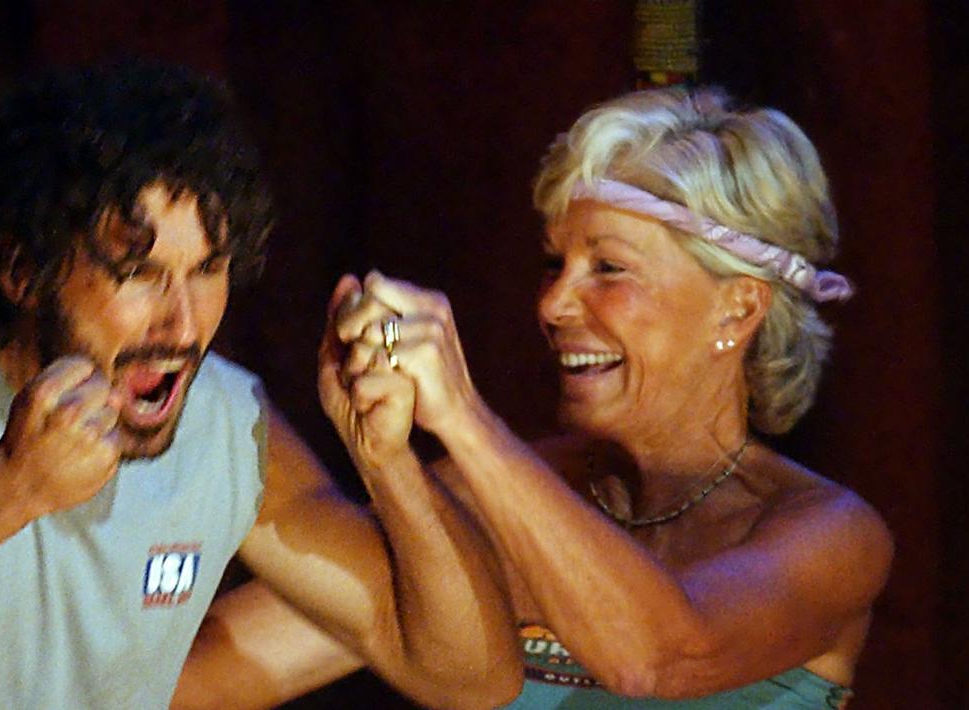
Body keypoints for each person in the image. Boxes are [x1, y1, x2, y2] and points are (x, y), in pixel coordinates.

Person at [0, 61, 519, 710]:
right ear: (23, 269)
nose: (182, 323)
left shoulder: (227, 425)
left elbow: (471, 678)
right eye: (138, 273)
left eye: (208, 269)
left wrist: (387, 462)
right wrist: (8, 487)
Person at [185, 86, 894, 708]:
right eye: (556, 264)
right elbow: (207, 678)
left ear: (737, 309)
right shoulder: (483, 500)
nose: (553, 303)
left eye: (608, 268)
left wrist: (463, 417)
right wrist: (179, 371)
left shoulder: (830, 535)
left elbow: (659, 658)